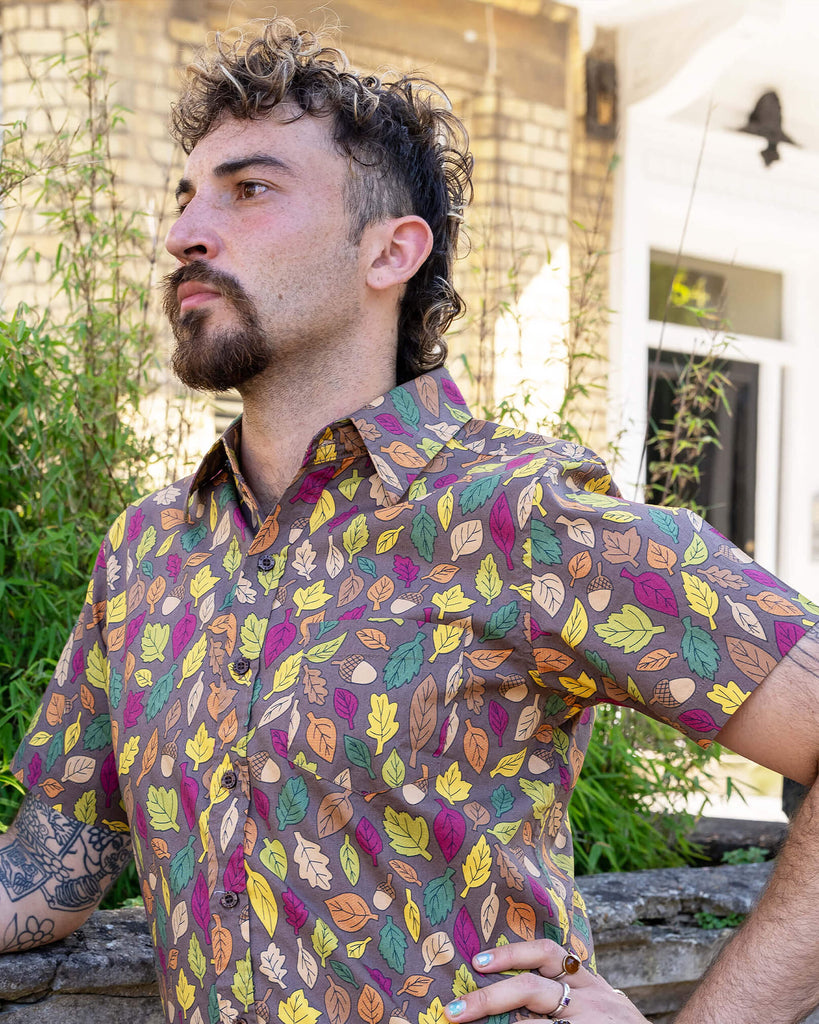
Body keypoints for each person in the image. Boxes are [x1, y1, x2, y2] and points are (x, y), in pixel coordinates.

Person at [2, 18, 819, 1024]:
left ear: (390, 251)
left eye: (248, 190)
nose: (184, 234)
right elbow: (53, 867)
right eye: (187, 197)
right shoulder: (145, 553)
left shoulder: (518, 513)